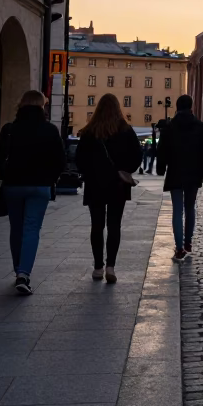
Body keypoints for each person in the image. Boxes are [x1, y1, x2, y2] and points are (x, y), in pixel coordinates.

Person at [0, 90, 65, 296]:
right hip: (39, 187)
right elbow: (60, 160)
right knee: (32, 228)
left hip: (14, 186)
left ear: (21, 105)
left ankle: (18, 271)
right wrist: (50, 177)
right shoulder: (49, 130)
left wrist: (7, 173)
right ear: (42, 106)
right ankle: (24, 274)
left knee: (17, 228)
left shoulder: (10, 129)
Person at [74, 94, 143, 283]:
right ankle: (111, 266)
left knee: (97, 226)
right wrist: (125, 169)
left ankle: (98, 267)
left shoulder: (90, 131)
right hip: (117, 185)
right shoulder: (126, 130)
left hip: (95, 184)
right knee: (114, 226)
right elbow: (137, 156)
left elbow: (79, 159)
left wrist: (90, 172)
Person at [156, 96, 203, 261]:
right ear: (191, 107)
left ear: (176, 106)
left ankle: (179, 248)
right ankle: (188, 243)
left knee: (177, 210)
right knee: (190, 208)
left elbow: (162, 150)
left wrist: (161, 168)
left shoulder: (170, 126)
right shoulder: (199, 126)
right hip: (193, 172)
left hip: (175, 172)